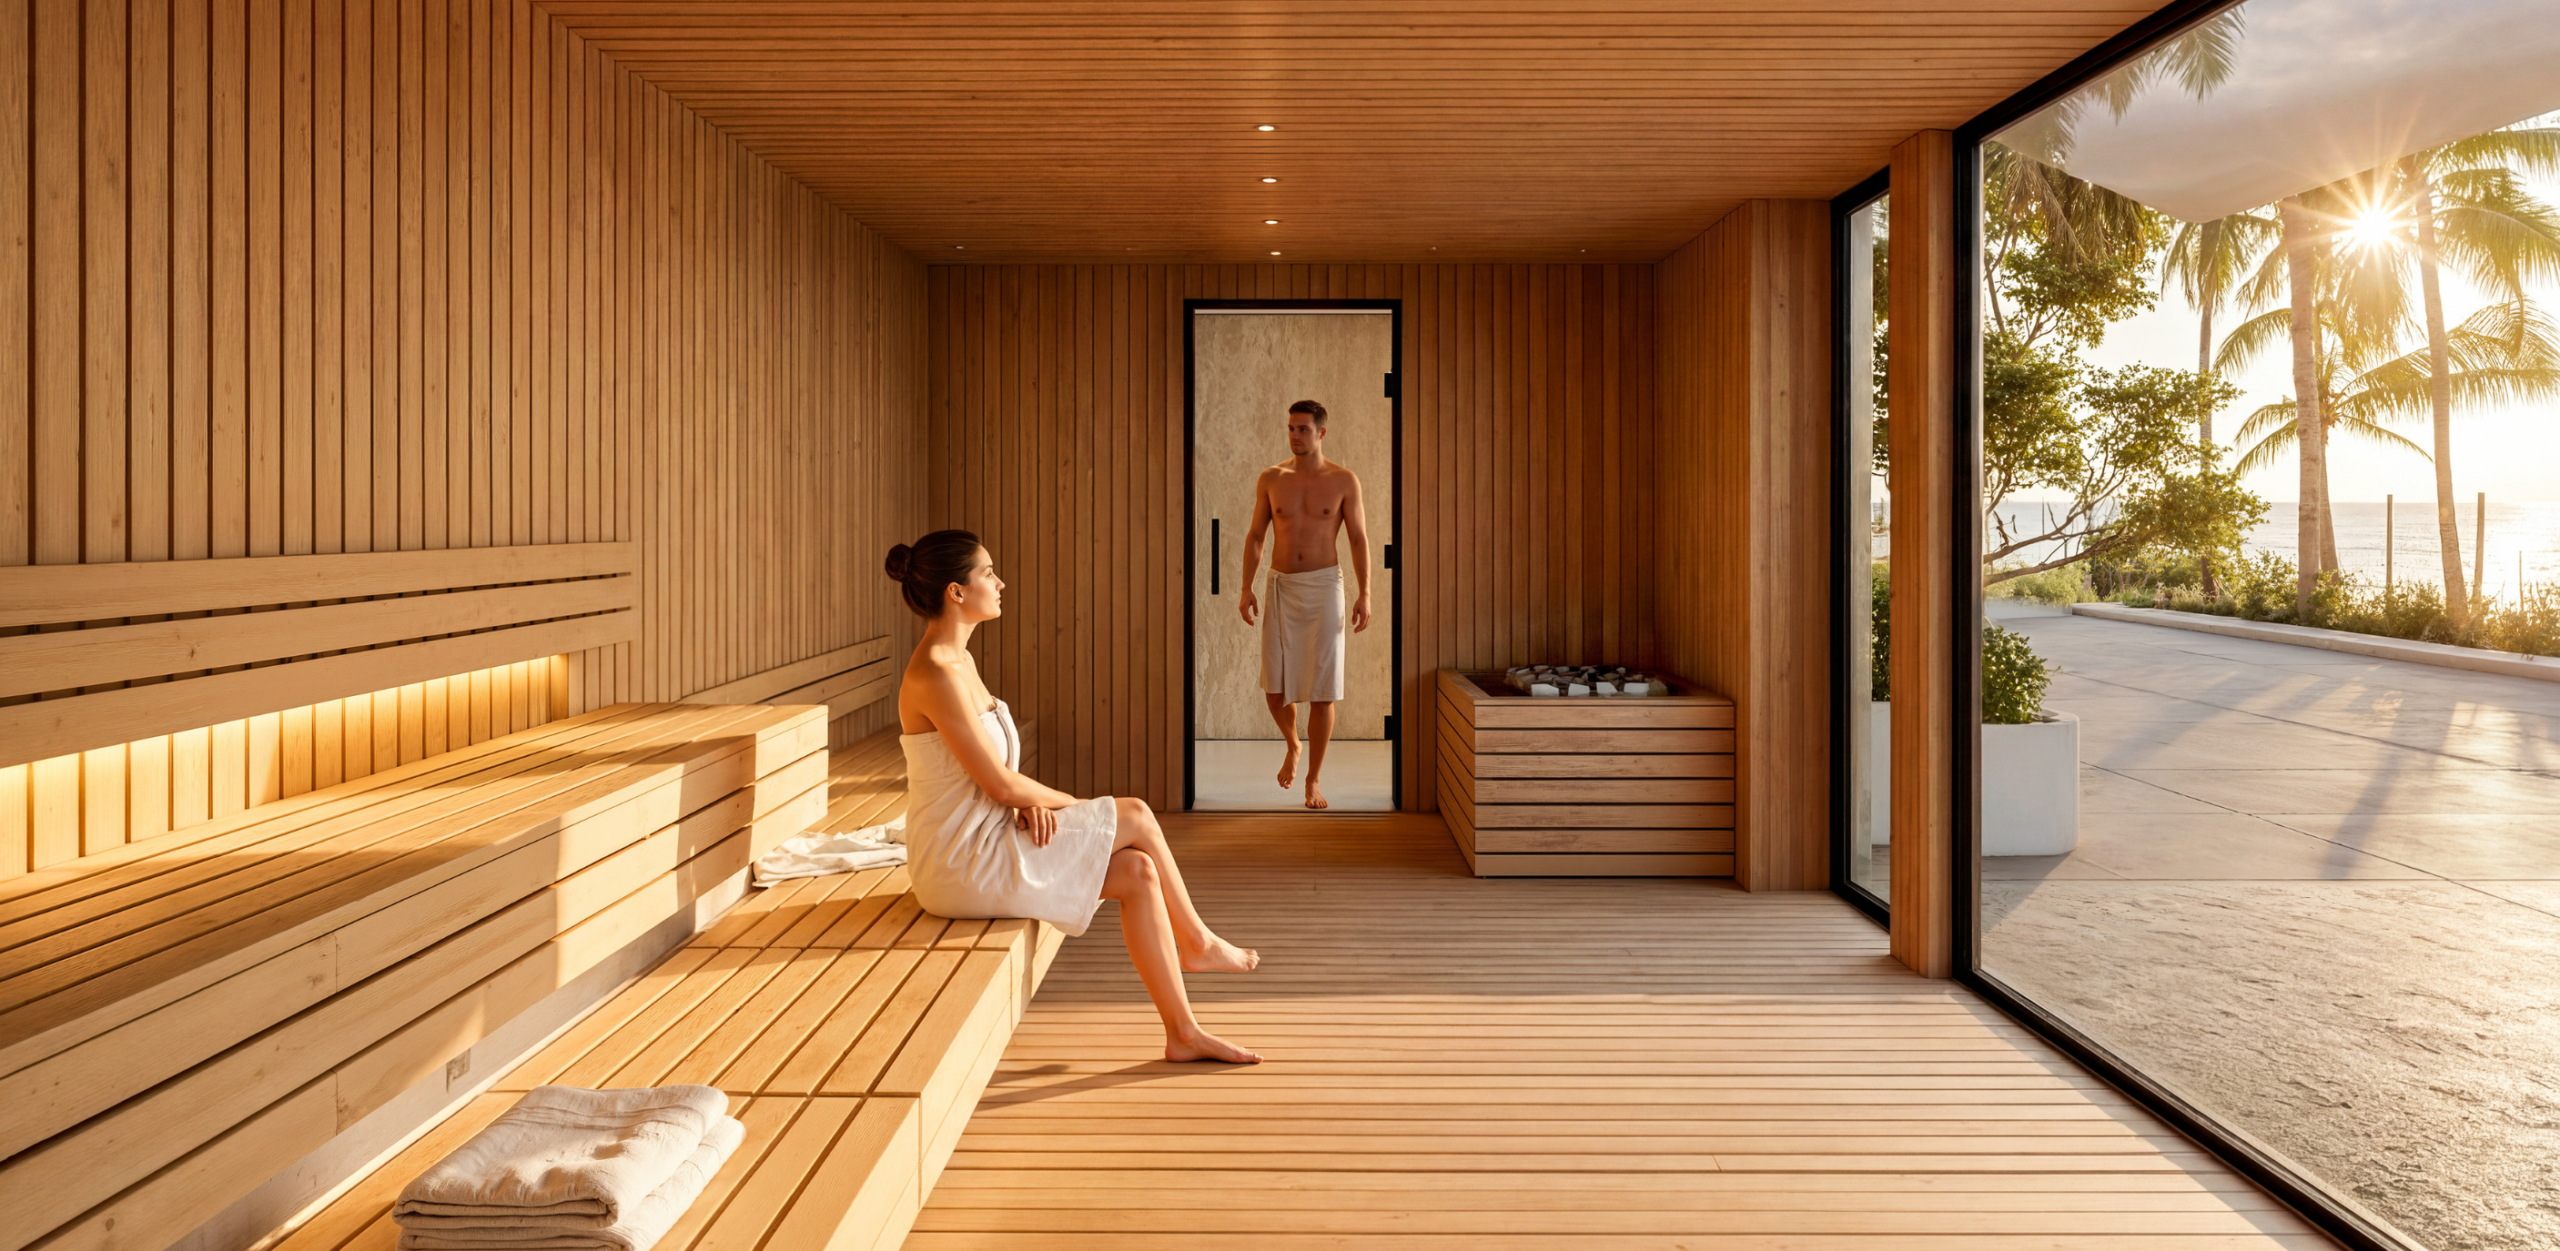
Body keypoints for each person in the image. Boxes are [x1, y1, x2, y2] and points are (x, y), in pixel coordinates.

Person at [886, 529, 1262, 1064]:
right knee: (1134, 815)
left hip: (988, 835)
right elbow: (997, 782)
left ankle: (1183, 1032)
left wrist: (1023, 799)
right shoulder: (935, 674)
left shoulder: (960, 664)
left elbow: (992, 775)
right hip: (957, 862)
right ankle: (1196, 942)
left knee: (1138, 873)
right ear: (956, 592)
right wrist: (1040, 800)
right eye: (988, 573)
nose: (1000, 583)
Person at [1239, 399, 1373, 810]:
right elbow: (1257, 537)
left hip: (1324, 587)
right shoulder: (1271, 478)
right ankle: (1292, 744)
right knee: (1274, 690)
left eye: (1302, 429)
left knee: (1322, 692)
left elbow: (1357, 538)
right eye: (1291, 428)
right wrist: (1246, 588)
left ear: (1321, 433)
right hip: (1280, 586)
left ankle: (1313, 780)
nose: (1295, 435)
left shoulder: (1344, 480)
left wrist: (1365, 592)